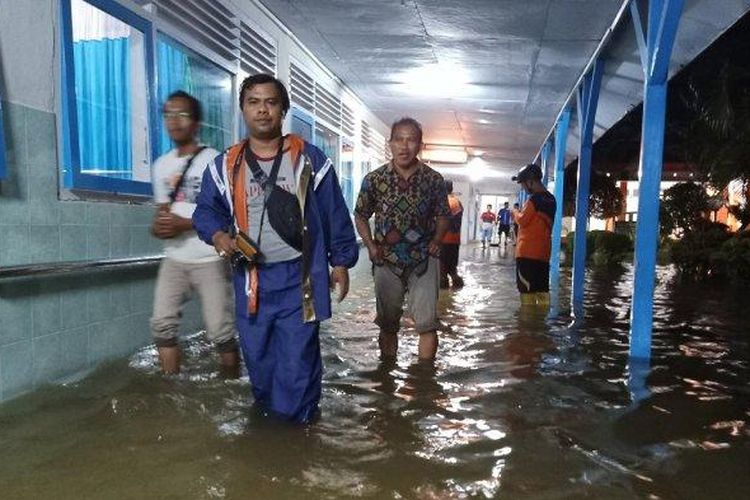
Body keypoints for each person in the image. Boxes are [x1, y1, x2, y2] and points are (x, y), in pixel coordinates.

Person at [192, 74, 358, 424]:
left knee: (297, 360)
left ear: (283, 110)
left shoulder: (307, 158)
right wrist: (220, 237)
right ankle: (271, 422)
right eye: (254, 102)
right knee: (258, 357)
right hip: (251, 280)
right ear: (242, 110)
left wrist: (341, 261)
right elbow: (206, 211)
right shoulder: (226, 165)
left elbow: (333, 210)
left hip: (300, 279)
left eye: (270, 102)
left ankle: (294, 434)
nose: (262, 110)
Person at [150, 91, 239, 377]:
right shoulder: (161, 165)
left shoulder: (215, 162)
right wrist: (159, 226)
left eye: (182, 114)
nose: (173, 121)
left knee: (220, 330)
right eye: (168, 115)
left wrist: (184, 224)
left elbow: (228, 213)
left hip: (209, 257)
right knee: (162, 324)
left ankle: (231, 383)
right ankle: (170, 389)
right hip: (174, 258)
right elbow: (164, 211)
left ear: (197, 123)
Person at [354, 117, 450, 361]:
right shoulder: (374, 180)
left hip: (424, 260)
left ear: (420, 145)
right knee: (387, 324)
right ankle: (386, 376)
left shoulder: (433, 179)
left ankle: (425, 382)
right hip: (386, 260)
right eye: (399, 139)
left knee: (427, 324)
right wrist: (370, 245)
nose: (404, 146)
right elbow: (361, 215)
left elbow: (442, 215)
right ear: (390, 143)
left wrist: (437, 241)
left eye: (411, 140)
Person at [511, 164, 556, 306]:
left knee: (527, 293)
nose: (523, 187)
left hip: (527, 254)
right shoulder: (551, 199)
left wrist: (514, 212)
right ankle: (542, 325)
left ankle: (528, 325)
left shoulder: (533, 200)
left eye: (523, 184)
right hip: (543, 254)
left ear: (530, 182)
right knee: (542, 291)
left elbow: (522, 221)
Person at [440, 180, 464, 289]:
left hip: (443, 239)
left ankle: (444, 296)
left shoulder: (444, 202)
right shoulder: (457, 202)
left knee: (442, 268)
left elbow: (442, 221)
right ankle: (456, 289)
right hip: (454, 240)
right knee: (452, 266)